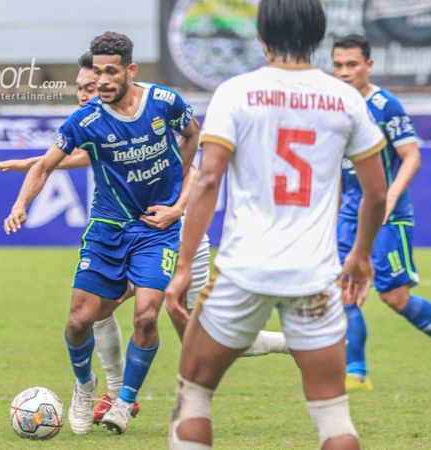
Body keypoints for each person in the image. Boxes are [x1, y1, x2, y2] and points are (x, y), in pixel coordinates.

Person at [0, 52, 287, 423]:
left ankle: (291, 342)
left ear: (127, 72)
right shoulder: (93, 120)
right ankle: (114, 395)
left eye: (92, 84)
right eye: (82, 87)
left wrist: (177, 209)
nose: (86, 93)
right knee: (96, 313)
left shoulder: (159, 110)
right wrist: (31, 165)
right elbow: (86, 154)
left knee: (204, 335)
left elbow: (195, 164)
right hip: (138, 229)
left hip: (181, 234)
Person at [165, 1, 388, 448]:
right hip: (315, 275)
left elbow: (208, 179)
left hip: (242, 272)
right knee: (333, 417)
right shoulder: (345, 98)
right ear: (319, 38)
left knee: (194, 398)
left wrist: (185, 263)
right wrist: (361, 254)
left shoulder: (236, 92)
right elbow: (377, 193)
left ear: (261, 37)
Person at [4, 31, 199, 435]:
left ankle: (124, 401)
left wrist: (178, 203)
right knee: (80, 320)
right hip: (108, 227)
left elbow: (194, 134)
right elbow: (45, 165)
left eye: (111, 72)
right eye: (97, 72)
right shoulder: (85, 120)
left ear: (130, 70)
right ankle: (84, 386)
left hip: (154, 228)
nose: (103, 81)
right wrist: (20, 205)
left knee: (147, 315)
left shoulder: (164, 102)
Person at [332, 34, 431, 391]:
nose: (344, 73)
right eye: (338, 65)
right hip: (350, 212)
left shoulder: (384, 105)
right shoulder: (332, 106)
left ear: (369, 66)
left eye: (352, 65)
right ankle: (357, 373)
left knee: (394, 297)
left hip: (389, 215)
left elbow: (412, 156)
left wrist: (390, 196)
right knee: (343, 288)